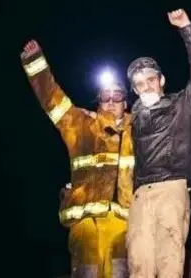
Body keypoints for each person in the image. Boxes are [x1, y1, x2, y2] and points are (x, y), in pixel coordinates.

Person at [20, 40, 134, 278]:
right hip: (85, 222)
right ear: (98, 101)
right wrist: (36, 64)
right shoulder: (81, 125)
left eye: (117, 96)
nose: (111, 102)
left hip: (124, 221)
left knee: (120, 272)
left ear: (126, 102)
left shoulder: (139, 129)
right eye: (105, 97)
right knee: (88, 272)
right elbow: (51, 99)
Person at [125, 8, 191, 278]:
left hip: (171, 188)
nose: (146, 85)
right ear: (135, 90)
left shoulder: (182, 105)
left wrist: (187, 28)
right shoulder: (133, 119)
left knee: (169, 265)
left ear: (161, 80)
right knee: (138, 265)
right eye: (139, 83)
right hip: (140, 196)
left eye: (150, 79)